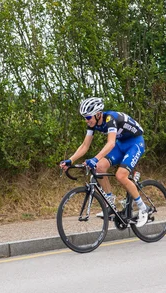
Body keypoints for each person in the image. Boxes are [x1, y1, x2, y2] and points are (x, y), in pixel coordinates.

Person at [59, 97, 149, 227]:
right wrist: (70, 160)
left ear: (98, 114)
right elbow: (85, 145)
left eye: (88, 117)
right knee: (99, 167)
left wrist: (95, 158)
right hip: (121, 143)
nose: (86, 120)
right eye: (84, 117)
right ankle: (110, 202)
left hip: (135, 143)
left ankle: (143, 207)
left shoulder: (110, 119)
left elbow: (111, 143)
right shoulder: (92, 123)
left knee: (120, 175)